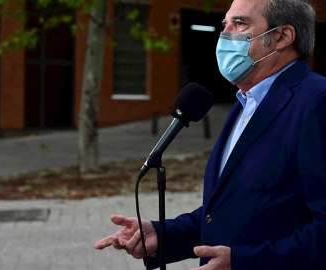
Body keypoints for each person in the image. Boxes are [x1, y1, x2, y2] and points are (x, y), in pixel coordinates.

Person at [94, 0, 326, 269]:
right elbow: (230, 211)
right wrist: (163, 235)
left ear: (282, 36)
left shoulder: (317, 101)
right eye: (224, 24)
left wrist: (242, 262)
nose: (225, 34)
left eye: (239, 23)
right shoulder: (247, 102)